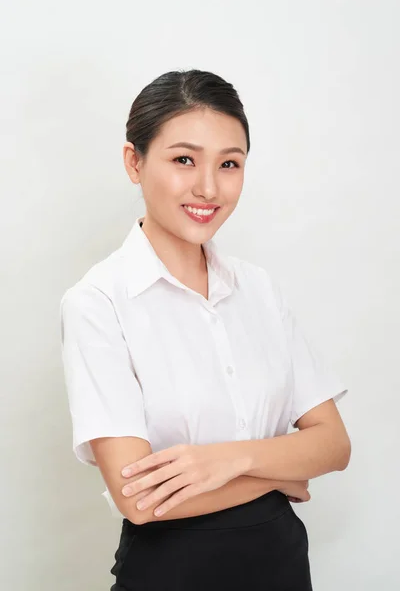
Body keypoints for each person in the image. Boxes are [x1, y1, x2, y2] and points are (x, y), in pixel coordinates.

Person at [60, 69, 351, 591]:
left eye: (230, 164)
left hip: (282, 566)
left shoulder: (258, 289)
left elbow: (334, 445)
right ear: (135, 161)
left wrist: (226, 460)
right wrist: (283, 473)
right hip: (171, 573)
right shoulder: (98, 302)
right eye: (184, 159)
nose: (209, 188)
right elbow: (139, 500)